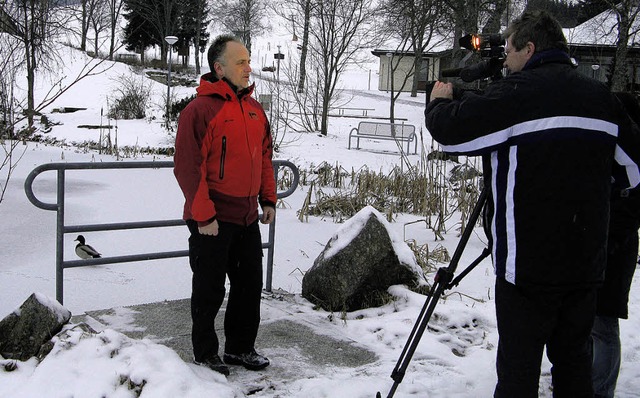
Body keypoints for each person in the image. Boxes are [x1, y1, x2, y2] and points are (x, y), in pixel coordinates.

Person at [425, 10, 640, 398]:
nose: (504, 59)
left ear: (530, 48)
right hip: (584, 265)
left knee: (518, 372)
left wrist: (438, 103)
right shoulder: (601, 99)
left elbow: (452, 135)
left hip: (526, 269)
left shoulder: (516, 95)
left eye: (508, 50)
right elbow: (634, 171)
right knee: (574, 368)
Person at [173, 34, 277, 376]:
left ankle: (240, 348)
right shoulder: (199, 110)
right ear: (219, 68)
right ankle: (205, 354)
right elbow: (188, 167)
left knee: (248, 288)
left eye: (248, 61)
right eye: (240, 62)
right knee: (209, 290)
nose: (249, 68)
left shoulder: (254, 109)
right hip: (212, 218)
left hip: (246, 216)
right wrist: (204, 216)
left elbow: (264, 157)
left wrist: (267, 199)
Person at [591, 92, 640, 398]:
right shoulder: (611, 151)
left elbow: (630, 212)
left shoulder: (632, 159)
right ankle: (585, 383)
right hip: (596, 246)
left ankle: (600, 391)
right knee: (587, 320)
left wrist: (608, 244)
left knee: (604, 323)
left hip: (614, 249)